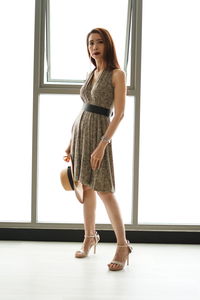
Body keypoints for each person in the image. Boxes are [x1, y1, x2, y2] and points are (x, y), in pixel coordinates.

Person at [65, 28, 132, 271]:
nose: (94, 46)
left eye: (99, 42)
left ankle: (123, 246)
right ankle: (89, 237)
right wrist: (72, 141)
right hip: (81, 132)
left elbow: (120, 113)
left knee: (104, 190)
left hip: (99, 135)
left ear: (108, 45)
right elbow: (84, 109)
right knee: (86, 186)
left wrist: (102, 145)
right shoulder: (91, 73)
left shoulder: (117, 74)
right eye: (91, 43)